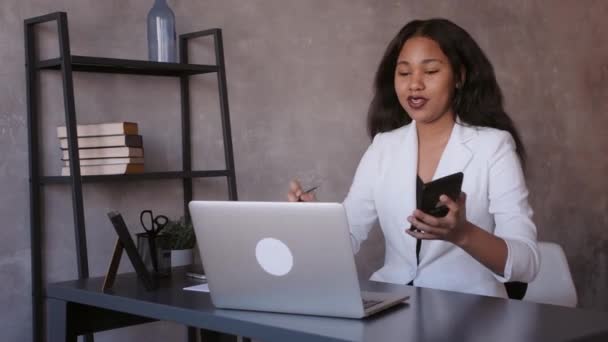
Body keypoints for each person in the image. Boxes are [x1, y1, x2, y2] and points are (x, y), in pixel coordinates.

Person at [287, 18, 540, 298]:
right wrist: (313, 222)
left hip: (471, 310)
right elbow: (347, 237)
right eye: (404, 73)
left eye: (430, 71)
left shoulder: (493, 146)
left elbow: (526, 264)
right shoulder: (383, 147)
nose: (414, 84)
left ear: (459, 77)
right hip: (396, 304)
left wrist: (463, 233)